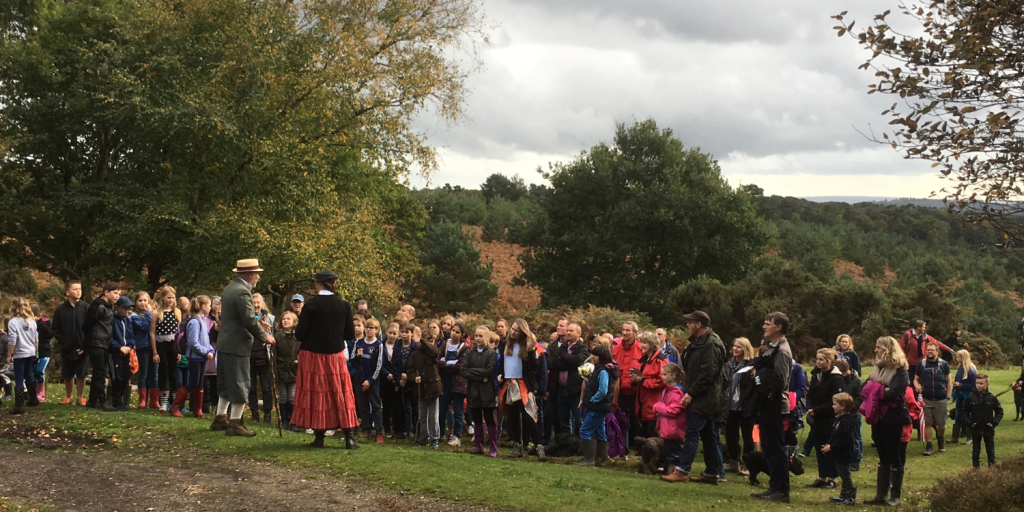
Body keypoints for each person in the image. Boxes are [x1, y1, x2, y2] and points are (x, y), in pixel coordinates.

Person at [292, 270, 359, 448]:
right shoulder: (343, 305)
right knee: (340, 393)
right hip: (335, 355)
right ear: (334, 283)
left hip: (312, 355)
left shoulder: (311, 305)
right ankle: (349, 437)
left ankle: (319, 437)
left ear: (318, 284)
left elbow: (299, 334)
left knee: (316, 393)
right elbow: (349, 334)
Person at [210, 259, 275, 437]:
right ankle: (235, 424)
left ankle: (220, 418)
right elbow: (247, 319)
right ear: (248, 275)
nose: (258, 277)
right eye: (256, 274)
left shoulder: (230, 288)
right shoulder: (242, 292)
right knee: (240, 384)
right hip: (237, 345)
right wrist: (264, 336)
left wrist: (258, 323)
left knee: (225, 383)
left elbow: (238, 318)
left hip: (226, 343)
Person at [670, 311, 726, 485]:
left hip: (705, 397)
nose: (688, 325)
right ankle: (712, 472)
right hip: (703, 395)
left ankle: (682, 470)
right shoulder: (698, 343)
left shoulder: (712, 344)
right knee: (708, 435)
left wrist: (691, 392)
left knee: (692, 433)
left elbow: (707, 374)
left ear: (699, 324)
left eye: (690, 322)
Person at [749, 312, 794, 503]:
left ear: (779, 328)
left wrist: (759, 375)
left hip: (775, 403)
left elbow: (780, 380)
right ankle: (774, 486)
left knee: (776, 448)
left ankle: (782, 490)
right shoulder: (772, 348)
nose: (764, 327)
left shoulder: (782, 351)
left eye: (768, 324)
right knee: (768, 447)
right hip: (766, 402)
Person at [863, 336, 912, 507]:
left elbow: (893, 394)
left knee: (894, 455)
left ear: (888, 350)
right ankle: (880, 495)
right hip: (878, 417)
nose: (875, 351)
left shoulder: (901, 370)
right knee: (883, 456)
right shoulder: (877, 368)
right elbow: (864, 388)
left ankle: (895, 496)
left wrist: (874, 389)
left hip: (893, 418)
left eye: (878, 348)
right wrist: (879, 389)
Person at [497, 318, 545, 460]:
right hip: (509, 383)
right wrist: (501, 375)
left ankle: (538, 445)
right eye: (512, 329)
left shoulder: (528, 346)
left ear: (522, 332)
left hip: (522, 385)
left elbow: (533, 367)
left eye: (516, 330)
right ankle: (517, 445)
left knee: (527, 417)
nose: (512, 332)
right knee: (512, 417)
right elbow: (503, 363)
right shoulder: (506, 344)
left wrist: (530, 352)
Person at [170, 296, 215, 418]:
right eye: (209, 305)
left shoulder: (202, 321)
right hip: (195, 357)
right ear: (203, 306)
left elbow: (205, 341)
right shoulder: (194, 322)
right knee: (193, 382)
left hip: (202, 357)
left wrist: (210, 349)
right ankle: (175, 406)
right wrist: (206, 352)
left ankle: (198, 410)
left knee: (200, 383)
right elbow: (193, 342)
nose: (210, 308)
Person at [805, 348, 844, 490]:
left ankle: (832, 478)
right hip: (816, 418)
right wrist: (809, 408)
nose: (818, 362)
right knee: (818, 447)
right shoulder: (816, 376)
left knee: (829, 448)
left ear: (829, 361)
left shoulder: (836, 378)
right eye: (817, 359)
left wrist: (817, 410)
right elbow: (810, 394)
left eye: (821, 359)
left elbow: (836, 400)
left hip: (829, 418)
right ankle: (821, 477)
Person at [577, 345, 617, 467]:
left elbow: (603, 390)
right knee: (600, 431)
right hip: (600, 406)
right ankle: (601, 460)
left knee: (584, 430)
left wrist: (594, 400)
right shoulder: (598, 369)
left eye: (595, 355)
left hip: (598, 406)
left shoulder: (603, 371)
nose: (592, 357)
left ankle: (589, 459)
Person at [548, 322, 590, 437]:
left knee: (578, 419)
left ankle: (582, 443)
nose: (568, 333)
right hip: (561, 389)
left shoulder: (582, 348)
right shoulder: (563, 346)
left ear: (579, 333)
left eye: (571, 331)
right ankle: (568, 443)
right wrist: (569, 362)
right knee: (563, 419)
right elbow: (554, 361)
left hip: (575, 389)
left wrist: (565, 357)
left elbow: (579, 361)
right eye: (568, 330)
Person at [462, 325, 498, 457]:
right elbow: (464, 371)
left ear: (487, 337)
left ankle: (493, 448)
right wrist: (480, 375)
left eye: (480, 336)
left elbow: (489, 371)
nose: (477, 338)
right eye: (476, 336)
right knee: (476, 417)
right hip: (473, 390)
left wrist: (473, 372)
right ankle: (479, 446)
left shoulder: (491, 353)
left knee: (489, 417)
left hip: (487, 391)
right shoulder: (470, 353)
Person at [84, 281, 120, 412]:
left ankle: (92, 400)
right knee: (100, 373)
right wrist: (88, 342)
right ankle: (101, 400)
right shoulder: (99, 307)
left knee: (98, 372)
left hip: (103, 343)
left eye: (119, 294)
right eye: (115, 293)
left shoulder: (108, 307)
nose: (117, 296)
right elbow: (87, 324)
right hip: (96, 342)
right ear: (106, 292)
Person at [52, 281, 89, 406]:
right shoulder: (61, 310)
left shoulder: (86, 308)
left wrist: (85, 345)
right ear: (67, 292)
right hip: (67, 347)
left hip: (82, 347)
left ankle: (80, 398)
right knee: (68, 373)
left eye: (80, 289)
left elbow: (91, 328)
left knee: (82, 373)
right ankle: (68, 397)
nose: (78, 291)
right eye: (75, 289)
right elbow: (55, 328)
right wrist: (63, 340)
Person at [724, 337, 757, 475]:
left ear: (745, 349)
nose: (735, 349)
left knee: (747, 436)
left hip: (745, 407)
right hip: (730, 405)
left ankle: (747, 464)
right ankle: (733, 461)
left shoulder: (751, 366)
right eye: (734, 346)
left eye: (739, 347)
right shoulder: (729, 364)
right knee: (731, 435)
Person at [407, 325, 443, 448]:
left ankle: (434, 438)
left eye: (432, 341)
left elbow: (433, 351)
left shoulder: (434, 352)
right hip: (421, 388)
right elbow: (410, 370)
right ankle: (424, 436)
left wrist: (425, 342)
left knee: (433, 415)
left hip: (433, 387)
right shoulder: (416, 354)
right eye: (429, 341)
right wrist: (414, 378)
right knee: (422, 415)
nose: (430, 343)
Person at [914, 341, 952, 456]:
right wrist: (917, 386)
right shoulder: (922, 364)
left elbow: (949, 381)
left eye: (932, 350)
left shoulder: (943, 364)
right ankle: (929, 445)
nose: (929, 352)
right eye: (928, 350)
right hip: (926, 398)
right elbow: (916, 379)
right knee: (927, 423)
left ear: (937, 351)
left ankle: (940, 438)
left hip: (941, 399)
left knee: (941, 424)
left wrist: (947, 396)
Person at [822, 392, 858, 505]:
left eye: (835, 404)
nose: (833, 406)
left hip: (845, 453)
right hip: (839, 453)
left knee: (845, 475)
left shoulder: (846, 422)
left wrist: (832, 447)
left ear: (843, 406)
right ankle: (843, 495)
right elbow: (835, 435)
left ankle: (850, 496)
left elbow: (844, 439)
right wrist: (829, 445)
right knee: (843, 474)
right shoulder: (839, 419)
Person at [612, 321, 643, 446]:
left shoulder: (641, 349)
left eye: (628, 330)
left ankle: (637, 444)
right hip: (620, 391)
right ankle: (622, 444)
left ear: (635, 333)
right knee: (621, 417)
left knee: (636, 418)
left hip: (636, 391)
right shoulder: (616, 349)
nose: (624, 333)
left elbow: (645, 368)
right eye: (623, 330)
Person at [439, 322, 470, 446]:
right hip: (445, 381)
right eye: (453, 330)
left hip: (459, 382)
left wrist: (446, 363)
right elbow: (438, 361)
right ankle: (440, 433)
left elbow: (460, 366)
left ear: (462, 334)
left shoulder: (465, 348)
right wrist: (449, 363)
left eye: (457, 332)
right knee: (442, 408)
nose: (454, 333)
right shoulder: (444, 344)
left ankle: (457, 435)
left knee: (458, 410)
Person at [354, 317, 384, 442]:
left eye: (371, 328)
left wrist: (370, 380)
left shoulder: (379, 345)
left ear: (376, 330)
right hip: (359, 380)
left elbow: (379, 365)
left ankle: (378, 432)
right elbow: (353, 361)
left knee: (376, 406)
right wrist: (357, 356)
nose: (368, 330)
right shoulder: (359, 343)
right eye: (367, 327)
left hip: (372, 381)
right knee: (363, 406)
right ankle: (366, 430)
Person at [656, 363, 688, 480]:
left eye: (665, 374)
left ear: (673, 376)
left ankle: (677, 472)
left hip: (674, 428)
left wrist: (659, 407)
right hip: (668, 427)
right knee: (670, 451)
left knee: (674, 452)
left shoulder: (676, 392)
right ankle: (671, 470)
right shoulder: (669, 390)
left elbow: (674, 410)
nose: (662, 377)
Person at [963, 373, 1003, 468]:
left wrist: (993, 423)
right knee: (976, 451)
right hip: (975, 429)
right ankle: (976, 471)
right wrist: (969, 423)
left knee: (990, 451)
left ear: (987, 385)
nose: (978, 385)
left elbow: (999, 411)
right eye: (977, 383)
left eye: (981, 383)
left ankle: (992, 470)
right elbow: (964, 412)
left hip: (988, 429)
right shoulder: (971, 397)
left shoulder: (992, 397)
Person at [150, 286, 181, 410]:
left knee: (173, 372)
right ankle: (163, 401)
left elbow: (180, 333)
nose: (171, 300)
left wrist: (179, 351)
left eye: (173, 298)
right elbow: (152, 333)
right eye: (168, 298)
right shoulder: (157, 313)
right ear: (163, 298)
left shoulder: (177, 312)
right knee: (163, 371)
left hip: (173, 343)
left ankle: (175, 402)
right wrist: (154, 352)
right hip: (161, 343)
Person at [5, 297, 37, 414]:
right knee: (28, 373)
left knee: (19, 376)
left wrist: (9, 354)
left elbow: (12, 339)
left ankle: (19, 405)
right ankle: (33, 398)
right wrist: (35, 351)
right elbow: (35, 338)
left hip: (20, 352)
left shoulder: (13, 322)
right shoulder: (32, 321)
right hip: (30, 351)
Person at [248, 293, 275, 423]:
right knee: (251, 387)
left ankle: (268, 414)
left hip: (264, 357)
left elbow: (274, 337)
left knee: (266, 387)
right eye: (253, 303)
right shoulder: (247, 319)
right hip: (249, 356)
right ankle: (254, 414)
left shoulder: (270, 318)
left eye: (258, 302)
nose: (256, 305)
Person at [635, 330, 667, 439]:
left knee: (653, 435)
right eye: (641, 342)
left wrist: (642, 381)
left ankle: (661, 455)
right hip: (644, 402)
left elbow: (663, 380)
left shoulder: (660, 361)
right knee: (646, 433)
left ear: (652, 344)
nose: (641, 345)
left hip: (654, 404)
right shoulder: (645, 359)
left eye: (644, 343)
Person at [543, 318, 570, 443]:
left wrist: (563, 362)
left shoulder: (573, 345)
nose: (558, 327)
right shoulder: (552, 346)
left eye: (562, 326)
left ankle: (567, 442)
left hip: (568, 386)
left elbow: (575, 363)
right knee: (551, 415)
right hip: (553, 385)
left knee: (566, 417)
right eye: (558, 325)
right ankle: (550, 441)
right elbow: (550, 363)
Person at [274, 311, 300, 431]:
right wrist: (274, 371)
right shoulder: (278, 336)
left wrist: (299, 361)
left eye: (288, 319)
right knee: (283, 396)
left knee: (292, 396)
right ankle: (285, 420)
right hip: (281, 369)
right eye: (284, 319)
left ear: (294, 322)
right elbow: (274, 355)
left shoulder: (298, 337)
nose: (285, 321)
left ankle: (294, 421)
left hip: (294, 370)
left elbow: (302, 352)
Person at [381, 322, 407, 439]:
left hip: (397, 380)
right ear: (386, 332)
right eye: (390, 333)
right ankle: (387, 428)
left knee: (398, 405)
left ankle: (399, 429)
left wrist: (396, 376)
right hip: (385, 379)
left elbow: (399, 363)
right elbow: (379, 363)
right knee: (386, 405)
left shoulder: (399, 346)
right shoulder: (381, 346)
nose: (392, 336)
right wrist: (387, 373)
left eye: (394, 333)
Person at [130, 292, 156, 409]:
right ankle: (143, 400)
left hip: (154, 347)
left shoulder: (152, 314)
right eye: (140, 301)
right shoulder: (134, 316)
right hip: (143, 347)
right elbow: (146, 327)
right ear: (136, 303)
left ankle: (154, 400)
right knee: (144, 373)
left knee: (154, 374)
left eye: (145, 301)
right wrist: (149, 313)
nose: (143, 303)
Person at [109, 296, 136, 411]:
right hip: (114, 353)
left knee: (125, 376)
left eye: (128, 308)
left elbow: (131, 336)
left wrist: (129, 347)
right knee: (116, 377)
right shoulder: (111, 319)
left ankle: (120, 399)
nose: (126, 311)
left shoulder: (128, 320)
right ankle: (115, 400)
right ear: (117, 307)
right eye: (124, 308)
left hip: (126, 352)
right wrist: (119, 347)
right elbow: (109, 337)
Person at [836, 360, 863, 471]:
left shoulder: (856, 381)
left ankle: (856, 461)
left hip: (853, 413)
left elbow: (860, 397)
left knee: (855, 438)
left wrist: (850, 408)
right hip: (842, 413)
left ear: (847, 370)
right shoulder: (840, 380)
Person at [950, 349, 978, 445]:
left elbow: (974, 385)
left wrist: (961, 385)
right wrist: (954, 394)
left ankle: (970, 437)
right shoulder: (960, 368)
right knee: (958, 415)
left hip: (968, 396)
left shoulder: (971, 370)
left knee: (967, 415)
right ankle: (955, 437)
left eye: (958, 357)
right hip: (959, 395)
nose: (956, 358)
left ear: (963, 358)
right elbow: (956, 382)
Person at [398, 322, 420, 436]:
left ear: (412, 334)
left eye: (407, 332)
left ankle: (416, 430)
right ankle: (406, 429)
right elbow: (395, 363)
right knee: (404, 407)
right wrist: (399, 377)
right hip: (400, 381)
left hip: (412, 382)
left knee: (415, 407)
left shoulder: (416, 347)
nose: (404, 334)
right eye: (402, 332)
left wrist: (409, 376)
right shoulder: (397, 345)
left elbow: (417, 365)